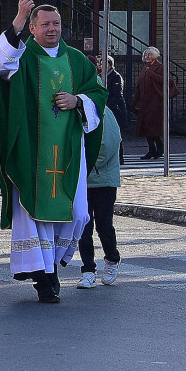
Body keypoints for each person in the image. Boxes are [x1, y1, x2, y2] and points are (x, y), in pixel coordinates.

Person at [0, 0, 107, 303]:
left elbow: (97, 93)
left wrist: (78, 100)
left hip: (69, 148)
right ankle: (45, 277)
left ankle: (51, 265)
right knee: (37, 214)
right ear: (33, 28)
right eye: (45, 24)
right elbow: (1, 65)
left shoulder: (78, 61)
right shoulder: (24, 57)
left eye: (56, 23)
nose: (52, 28)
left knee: (78, 213)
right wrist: (16, 18)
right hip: (33, 148)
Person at [77, 108, 123, 289]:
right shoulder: (76, 111)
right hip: (82, 181)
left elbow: (108, 144)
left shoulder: (104, 113)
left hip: (104, 181)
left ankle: (112, 259)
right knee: (83, 227)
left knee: (104, 225)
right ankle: (88, 270)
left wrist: (86, 164)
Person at [131, 47, 176, 160]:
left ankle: (159, 147)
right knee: (146, 128)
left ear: (155, 56)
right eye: (146, 55)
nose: (147, 57)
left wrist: (153, 75)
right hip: (145, 103)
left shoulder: (160, 67)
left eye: (150, 55)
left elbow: (168, 80)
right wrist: (134, 102)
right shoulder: (145, 68)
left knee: (153, 128)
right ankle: (151, 149)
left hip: (155, 103)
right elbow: (139, 87)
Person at [102, 55, 129, 130]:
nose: (102, 65)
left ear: (110, 65)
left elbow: (117, 94)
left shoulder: (116, 76)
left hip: (115, 108)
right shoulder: (101, 75)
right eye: (101, 63)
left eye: (105, 63)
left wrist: (108, 106)